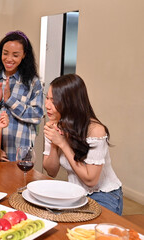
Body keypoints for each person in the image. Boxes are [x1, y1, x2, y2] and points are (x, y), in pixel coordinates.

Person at [43, 74, 123, 215]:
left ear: (70, 103)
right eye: (47, 98)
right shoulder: (54, 125)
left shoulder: (96, 131)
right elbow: (51, 171)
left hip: (103, 196)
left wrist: (63, 144)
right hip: (75, 194)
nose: (47, 105)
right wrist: (55, 144)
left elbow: (90, 180)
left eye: (54, 101)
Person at [0, 30, 44, 161]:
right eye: (5, 53)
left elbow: (37, 115)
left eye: (15, 55)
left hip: (20, 151)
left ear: (24, 55)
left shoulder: (33, 83)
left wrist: (10, 101)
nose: (9, 59)